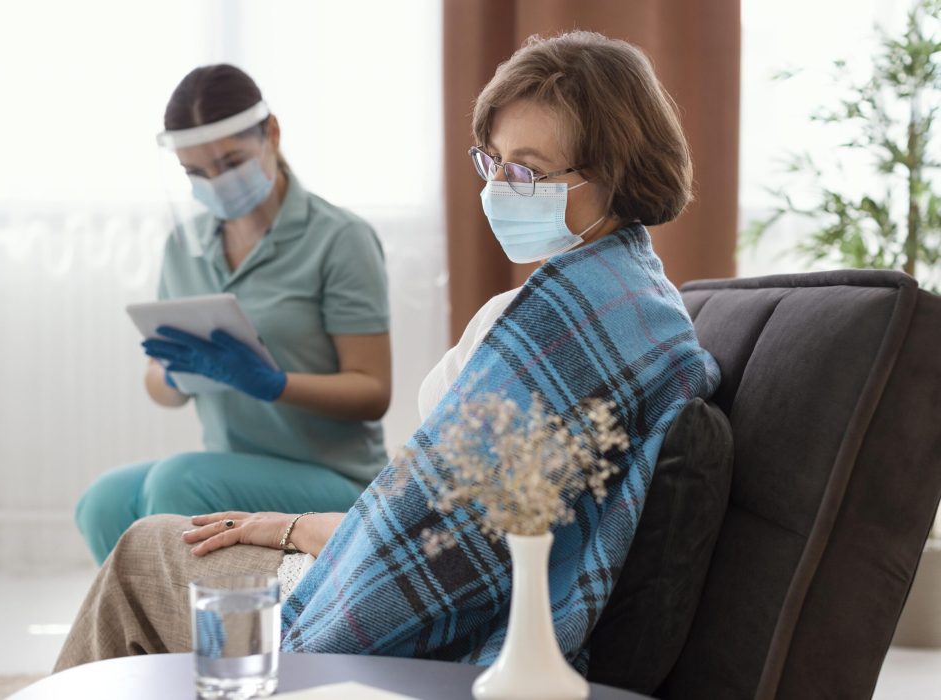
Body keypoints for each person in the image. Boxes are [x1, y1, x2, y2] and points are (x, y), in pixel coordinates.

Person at [55, 31, 720, 670]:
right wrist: (292, 523)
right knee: (123, 506)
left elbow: (441, 556)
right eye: (490, 161)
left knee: (146, 550)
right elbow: (452, 519)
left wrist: (296, 525)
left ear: (614, 170)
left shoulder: (560, 325)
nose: (495, 190)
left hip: (395, 605)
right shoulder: (618, 298)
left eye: (527, 171)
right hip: (382, 535)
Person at [74, 64, 392, 565]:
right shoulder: (184, 246)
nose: (215, 184)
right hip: (235, 464)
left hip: (333, 477)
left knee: (179, 483)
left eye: (230, 163)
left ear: (272, 133)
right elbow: (159, 386)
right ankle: (147, 635)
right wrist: (177, 373)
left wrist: (274, 384)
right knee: (103, 501)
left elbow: (373, 392)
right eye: (196, 173)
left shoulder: (339, 239)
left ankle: (202, 635)